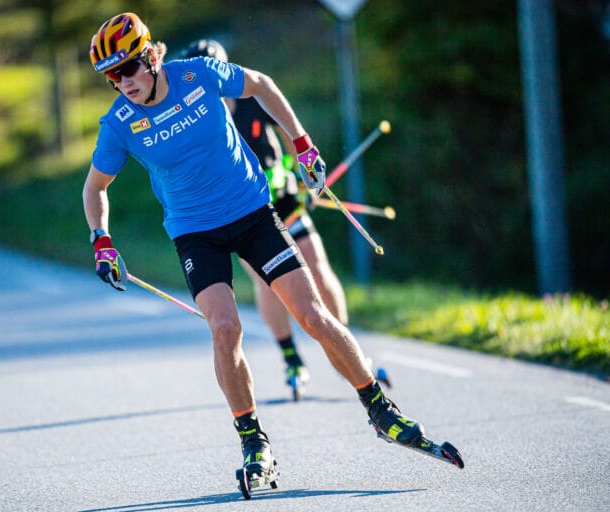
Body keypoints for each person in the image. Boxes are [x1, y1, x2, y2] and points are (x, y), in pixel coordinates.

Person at [83, 12, 428, 489]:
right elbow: (95, 188)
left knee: (314, 316)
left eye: (128, 69)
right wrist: (102, 240)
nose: (122, 83)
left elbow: (262, 85)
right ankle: (252, 439)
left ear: (152, 57)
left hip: (252, 213)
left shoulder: (197, 75)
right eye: (111, 77)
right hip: (195, 233)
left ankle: (379, 409)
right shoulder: (120, 123)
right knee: (225, 328)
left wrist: (302, 144)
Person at [181, 39, 371, 396]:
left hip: (283, 200)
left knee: (317, 265)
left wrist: (303, 174)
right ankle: (291, 357)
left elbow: (285, 129)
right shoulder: (194, 121)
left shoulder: (249, 99)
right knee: (267, 283)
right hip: (244, 212)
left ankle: (346, 346)